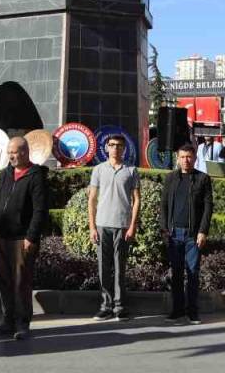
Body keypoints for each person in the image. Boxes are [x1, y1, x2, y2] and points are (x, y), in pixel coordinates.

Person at [0, 137, 49, 339]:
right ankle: (7, 320)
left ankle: (22, 323)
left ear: (24, 152)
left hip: (22, 239)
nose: (10, 156)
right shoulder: (6, 173)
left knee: (21, 282)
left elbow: (40, 210)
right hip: (1, 237)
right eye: (8, 152)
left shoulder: (35, 175)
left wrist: (31, 236)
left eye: (14, 152)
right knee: (3, 281)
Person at [87, 134, 140, 321]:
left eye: (119, 145)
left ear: (124, 148)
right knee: (103, 267)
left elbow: (137, 200)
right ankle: (105, 306)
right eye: (112, 145)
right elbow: (92, 199)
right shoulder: (99, 170)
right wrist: (92, 226)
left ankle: (119, 306)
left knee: (120, 268)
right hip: (102, 225)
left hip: (123, 226)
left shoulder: (131, 171)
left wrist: (132, 225)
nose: (115, 148)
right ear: (106, 148)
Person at [160, 143, 213, 325]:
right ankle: (177, 310)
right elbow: (164, 205)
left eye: (189, 157)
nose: (185, 160)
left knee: (192, 273)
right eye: (182, 157)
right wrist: (164, 229)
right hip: (174, 234)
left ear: (195, 158)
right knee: (176, 273)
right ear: (177, 158)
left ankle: (192, 311)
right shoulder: (171, 178)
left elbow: (208, 207)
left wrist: (202, 231)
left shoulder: (202, 179)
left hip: (192, 235)